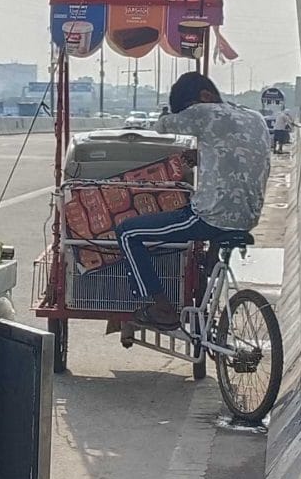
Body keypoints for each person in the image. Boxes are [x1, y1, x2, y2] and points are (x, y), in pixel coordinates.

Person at [115, 68, 272, 309]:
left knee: (127, 233)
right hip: (248, 217)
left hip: (211, 218)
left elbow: (162, 126)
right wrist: (202, 155)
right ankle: (209, 267)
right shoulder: (253, 116)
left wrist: (172, 114)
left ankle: (159, 306)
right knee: (218, 212)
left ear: (205, 96)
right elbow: (237, 156)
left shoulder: (204, 113)